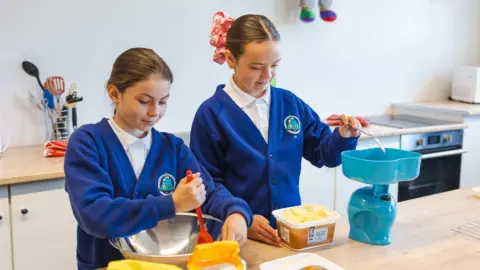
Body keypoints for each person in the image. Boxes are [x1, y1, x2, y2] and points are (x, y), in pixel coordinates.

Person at [64, 47, 253, 270]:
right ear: (115, 94)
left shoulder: (171, 148)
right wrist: (171, 203)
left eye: (163, 101)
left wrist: (236, 212)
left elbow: (208, 193)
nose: (155, 112)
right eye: (144, 101)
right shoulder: (88, 143)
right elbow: (93, 214)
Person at [189, 13, 360, 247]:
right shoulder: (211, 115)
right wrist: (241, 217)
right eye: (256, 67)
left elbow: (324, 155)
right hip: (239, 240)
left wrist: (342, 138)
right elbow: (206, 185)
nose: (267, 76)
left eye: (274, 65)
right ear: (230, 59)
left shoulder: (290, 104)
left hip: (290, 237)